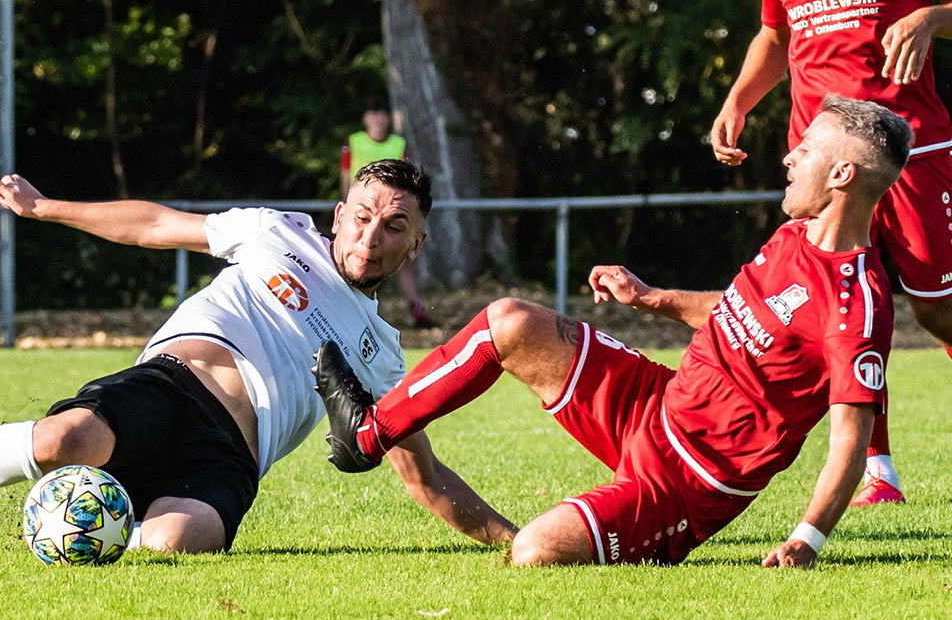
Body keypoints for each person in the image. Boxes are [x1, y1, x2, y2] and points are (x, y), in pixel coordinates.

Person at [0, 159, 515, 553]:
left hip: (229, 457)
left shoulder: (384, 352)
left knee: (173, 542)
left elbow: (422, 471)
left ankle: (95, 510)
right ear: (338, 212)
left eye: (394, 226)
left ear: (416, 243)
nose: (370, 235)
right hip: (171, 385)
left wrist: (517, 540)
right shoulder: (274, 232)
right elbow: (156, 223)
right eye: (362, 215)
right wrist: (46, 208)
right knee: (65, 440)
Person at [316, 96, 910, 568]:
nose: (788, 157)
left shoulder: (857, 304)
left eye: (803, 149)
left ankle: (584, 531)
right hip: (655, 403)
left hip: (687, 482)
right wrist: (649, 298)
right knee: (510, 320)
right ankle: (368, 434)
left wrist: (808, 540)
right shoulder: (794, 237)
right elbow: (740, 311)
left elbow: (849, 441)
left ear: (841, 174)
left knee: (535, 551)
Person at [710, 0, 952, 505]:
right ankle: (877, 472)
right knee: (835, 307)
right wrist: (737, 101)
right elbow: (776, 37)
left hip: (913, 148)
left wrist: (931, 18)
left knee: (937, 310)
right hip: (821, 160)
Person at [341, 109, 435, 329]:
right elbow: (345, 176)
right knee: (354, 262)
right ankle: (349, 313)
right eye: (373, 115)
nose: (378, 120)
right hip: (365, 211)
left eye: (382, 115)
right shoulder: (353, 141)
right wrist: (353, 210)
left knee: (402, 263)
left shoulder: (398, 144)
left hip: (391, 214)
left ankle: (417, 311)